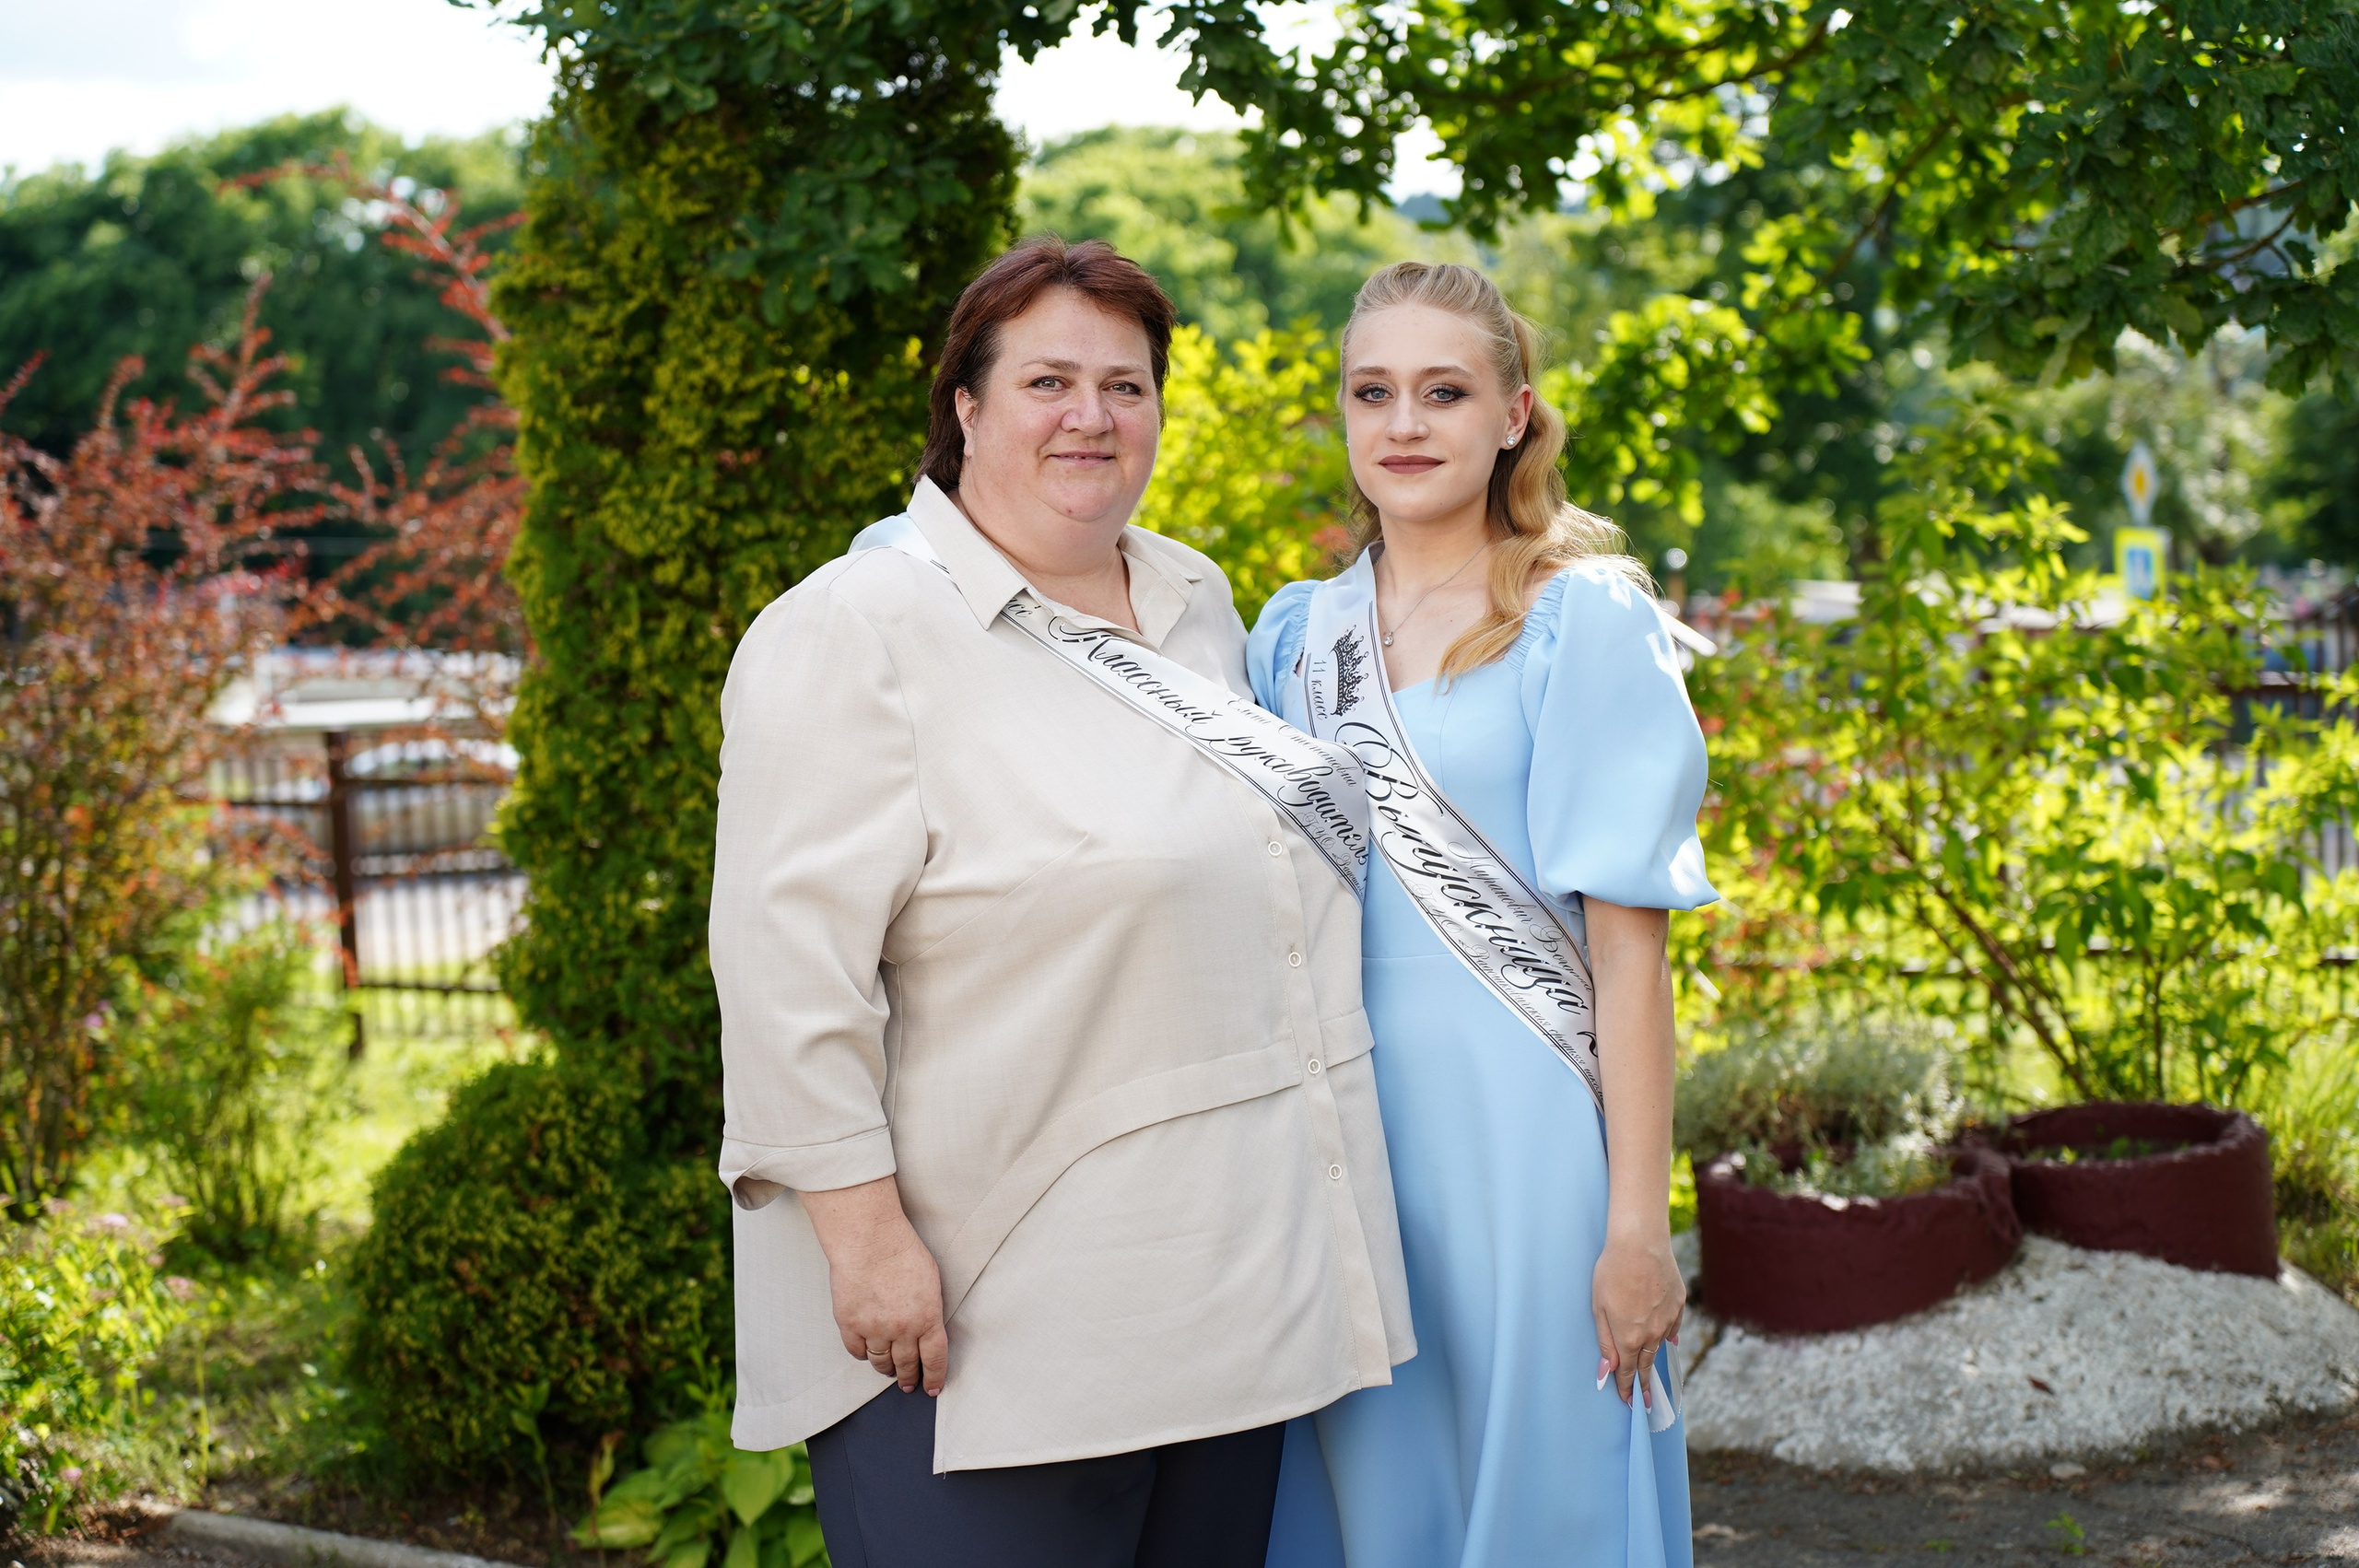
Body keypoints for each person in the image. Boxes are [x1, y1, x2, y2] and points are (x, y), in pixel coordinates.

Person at [708, 236, 1414, 1568]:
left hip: (1224, 1291)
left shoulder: (1196, 598)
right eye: (1046, 381)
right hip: (983, 1312)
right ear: (964, 408)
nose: (1091, 415)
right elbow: (786, 977)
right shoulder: (851, 632)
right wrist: (864, 1246)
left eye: (1126, 384)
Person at [1252, 261, 1716, 1568]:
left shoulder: (1581, 623)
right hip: (1349, 1147)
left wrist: (1637, 1226)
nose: (1404, 424)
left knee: (1549, 1500)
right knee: (1369, 1506)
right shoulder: (1295, 641)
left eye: (1443, 392)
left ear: (1514, 413)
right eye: (1373, 391)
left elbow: (1632, 956)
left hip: (1532, 1153)